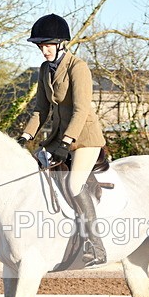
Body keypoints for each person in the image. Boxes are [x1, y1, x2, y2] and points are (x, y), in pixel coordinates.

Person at [18, 13, 107, 267]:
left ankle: (96, 246)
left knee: (74, 184)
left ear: (60, 43)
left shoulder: (77, 67)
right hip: (58, 137)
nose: (43, 50)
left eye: (47, 45)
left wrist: (66, 143)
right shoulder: (45, 69)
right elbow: (40, 110)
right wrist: (24, 137)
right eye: (40, 45)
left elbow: (80, 110)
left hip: (85, 138)